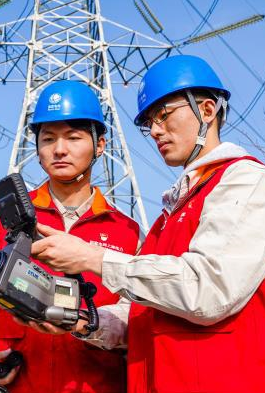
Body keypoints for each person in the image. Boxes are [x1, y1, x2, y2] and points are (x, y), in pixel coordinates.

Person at [26, 55, 265, 393]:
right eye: (150, 121)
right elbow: (147, 317)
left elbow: (207, 289)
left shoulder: (245, 180)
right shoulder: (171, 214)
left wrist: (94, 259)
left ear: (208, 110)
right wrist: (85, 322)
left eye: (165, 115)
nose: (154, 130)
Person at [0, 80, 141, 393]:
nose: (59, 149)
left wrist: (89, 322)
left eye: (73, 137)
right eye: (48, 138)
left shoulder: (128, 232)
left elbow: (139, 318)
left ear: (100, 144)